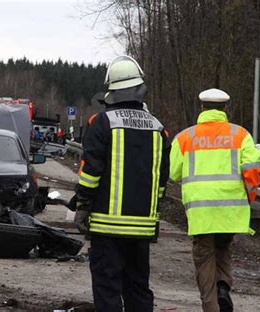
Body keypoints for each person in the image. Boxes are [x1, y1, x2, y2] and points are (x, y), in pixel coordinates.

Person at [73, 55, 170, 312]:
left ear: (112, 89)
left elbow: (90, 173)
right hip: (142, 229)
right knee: (138, 289)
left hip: (107, 228)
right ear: (139, 88)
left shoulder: (102, 123)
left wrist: (83, 206)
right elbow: (161, 182)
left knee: (107, 289)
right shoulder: (159, 129)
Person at [169, 88, 260, 312]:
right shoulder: (241, 135)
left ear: (202, 108)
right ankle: (223, 286)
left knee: (204, 256)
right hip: (230, 209)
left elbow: (174, 173)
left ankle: (211, 305)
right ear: (225, 109)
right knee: (223, 248)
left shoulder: (184, 137)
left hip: (201, 211)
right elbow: (252, 170)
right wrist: (248, 200)